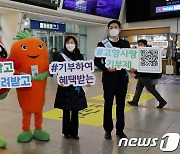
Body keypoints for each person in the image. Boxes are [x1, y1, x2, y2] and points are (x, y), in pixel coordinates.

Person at [94, 20, 130, 140]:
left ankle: (120, 130)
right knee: (108, 104)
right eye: (111, 27)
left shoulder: (125, 44)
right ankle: (108, 130)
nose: (113, 28)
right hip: (109, 79)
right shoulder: (102, 44)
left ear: (120, 29)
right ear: (108, 29)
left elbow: (129, 59)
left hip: (122, 79)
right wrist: (106, 68)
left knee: (121, 105)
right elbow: (97, 61)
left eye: (115, 27)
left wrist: (133, 67)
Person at [54, 36, 87, 140]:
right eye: (68, 42)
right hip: (65, 87)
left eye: (72, 42)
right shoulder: (61, 56)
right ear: (65, 44)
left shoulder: (80, 56)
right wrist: (60, 80)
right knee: (66, 110)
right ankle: (66, 132)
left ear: (76, 44)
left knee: (76, 111)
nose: (70, 44)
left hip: (76, 87)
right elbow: (59, 70)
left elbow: (83, 70)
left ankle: (74, 132)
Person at [127, 39, 167, 108]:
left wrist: (136, 71)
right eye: (138, 44)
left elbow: (145, 66)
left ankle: (161, 101)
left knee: (150, 89)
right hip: (141, 74)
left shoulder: (148, 53)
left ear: (145, 45)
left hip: (146, 75)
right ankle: (135, 101)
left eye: (141, 44)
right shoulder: (140, 52)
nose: (139, 46)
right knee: (138, 88)